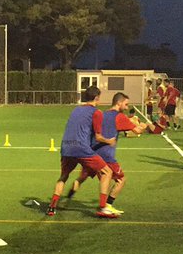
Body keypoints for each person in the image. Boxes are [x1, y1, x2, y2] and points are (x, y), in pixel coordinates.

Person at [67, 92, 149, 215]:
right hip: (106, 156)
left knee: (81, 178)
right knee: (120, 180)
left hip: (92, 153)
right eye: (126, 104)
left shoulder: (102, 114)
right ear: (119, 103)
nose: (127, 108)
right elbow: (137, 131)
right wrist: (144, 126)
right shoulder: (119, 117)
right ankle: (107, 205)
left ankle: (68, 197)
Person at [47, 86, 116, 219]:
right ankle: (103, 207)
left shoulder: (75, 109)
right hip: (81, 148)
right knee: (107, 172)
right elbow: (98, 137)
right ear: (96, 98)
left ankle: (52, 207)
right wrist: (109, 141)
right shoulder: (96, 112)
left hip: (66, 147)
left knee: (63, 176)